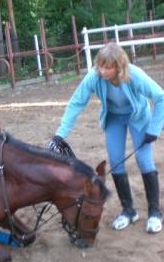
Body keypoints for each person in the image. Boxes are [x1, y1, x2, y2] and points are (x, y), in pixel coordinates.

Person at [50, 42, 164, 233]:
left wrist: (154, 128)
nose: (102, 71)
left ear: (119, 67)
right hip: (114, 118)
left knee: (144, 160)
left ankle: (154, 213)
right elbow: (76, 103)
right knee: (116, 162)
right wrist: (59, 135)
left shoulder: (134, 75)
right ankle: (128, 211)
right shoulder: (94, 77)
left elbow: (161, 97)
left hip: (138, 118)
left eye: (108, 67)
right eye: (100, 65)